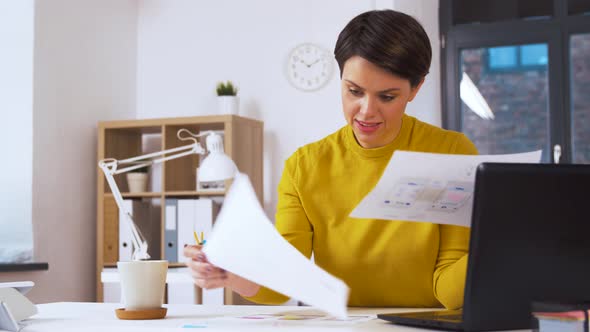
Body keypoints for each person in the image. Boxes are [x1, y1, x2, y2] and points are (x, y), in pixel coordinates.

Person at [184, 9, 477, 310]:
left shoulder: (452, 152)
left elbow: (448, 289)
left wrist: (497, 246)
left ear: (416, 88)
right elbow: (286, 277)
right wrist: (231, 274)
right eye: (354, 91)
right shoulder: (304, 166)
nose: (366, 111)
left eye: (387, 97)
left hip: (424, 325)